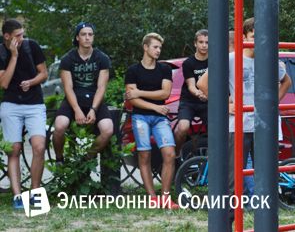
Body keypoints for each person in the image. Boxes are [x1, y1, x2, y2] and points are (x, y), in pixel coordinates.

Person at [226, 17, 291, 223]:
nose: (257, 41)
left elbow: (286, 81)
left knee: (266, 177)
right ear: (244, 37)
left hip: (262, 127)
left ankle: (266, 223)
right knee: (233, 179)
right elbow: (203, 83)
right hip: (237, 126)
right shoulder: (231, 59)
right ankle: (228, 224)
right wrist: (225, 104)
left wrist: (272, 106)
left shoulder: (269, 59)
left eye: (262, 37)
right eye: (253, 36)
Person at [124, 32, 178, 209]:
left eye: (160, 47)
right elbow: (132, 99)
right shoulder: (133, 70)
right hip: (140, 117)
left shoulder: (164, 69)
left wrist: (140, 92)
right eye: (155, 47)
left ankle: (166, 198)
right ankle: (153, 198)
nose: (159, 50)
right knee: (145, 155)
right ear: (145, 47)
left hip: (160, 119)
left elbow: (165, 93)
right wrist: (155, 106)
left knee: (170, 155)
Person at [0, 18, 48, 211]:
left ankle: (35, 194)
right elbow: (4, 83)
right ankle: (18, 196)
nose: (21, 38)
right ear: (7, 37)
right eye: (17, 36)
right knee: (14, 150)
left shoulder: (32, 46)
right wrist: (13, 55)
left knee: (39, 146)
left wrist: (32, 82)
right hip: (11, 104)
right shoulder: (2, 52)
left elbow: (44, 73)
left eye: (22, 34)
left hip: (34, 104)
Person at [53, 22, 114, 166]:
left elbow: (101, 88)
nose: (87, 38)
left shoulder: (102, 58)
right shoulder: (68, 59)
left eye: (90, 34)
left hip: (94, 99)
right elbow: (68, 88)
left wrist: (94, 109)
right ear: (77, 37)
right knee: (60, 126)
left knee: (108, 129)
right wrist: (77, 110)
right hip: (73, 98)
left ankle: (85, 160)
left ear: (93, 37)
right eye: (83, 34)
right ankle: (59, 159)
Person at [174, 29, 209, 155]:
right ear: (195, 43)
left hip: (207, 102)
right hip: (189, 101)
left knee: (217, 130)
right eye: (201, 42)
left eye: (207, 42)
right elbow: (191, 86)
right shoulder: (189, 63)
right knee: (183, 128)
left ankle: (214, 159)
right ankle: (177, 155)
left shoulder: (215, 61)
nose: (204, 45)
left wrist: (208, 96)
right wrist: (200, 94)